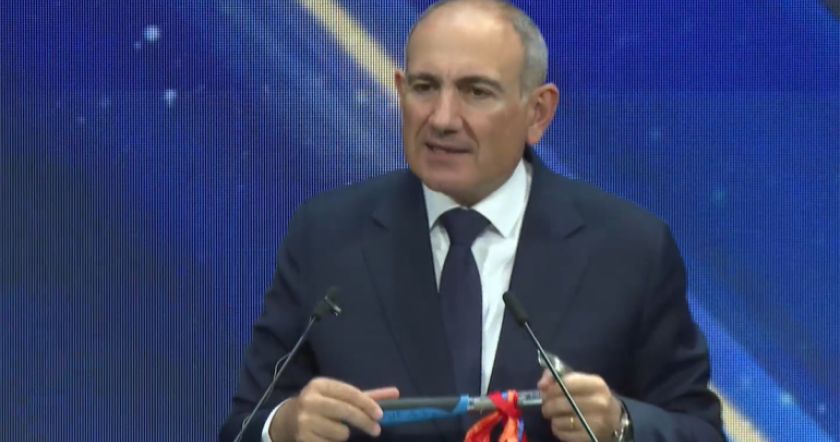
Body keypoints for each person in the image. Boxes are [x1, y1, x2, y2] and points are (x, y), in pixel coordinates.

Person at [220, 0, 725, 441]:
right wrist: (284, 427)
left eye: (476, 92)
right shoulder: (327, 235)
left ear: (538, 113)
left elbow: (699, 431)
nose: (441, 118)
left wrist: (621, 425)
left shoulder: (629, 249)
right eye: (424, 87)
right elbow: (245, 425)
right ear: (400, 91)